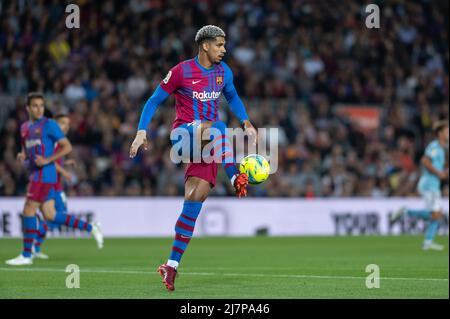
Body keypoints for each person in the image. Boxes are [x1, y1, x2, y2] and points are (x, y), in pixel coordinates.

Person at [129, 25, 257, 291]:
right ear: (205, 46)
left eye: (225, 45)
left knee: (194, 198)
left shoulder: (224, 72)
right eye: (219, 45)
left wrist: (246, 122)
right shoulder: (181, 71)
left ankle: (171, 266)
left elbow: (232, 97)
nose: (224, 49)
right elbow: (153, 101)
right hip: (183, 135)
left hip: (210, 144)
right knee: (219, 126)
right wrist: (141, 131)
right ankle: (235, 175)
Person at [5, 93, 102, 266]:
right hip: (36, 174)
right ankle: (90, 227)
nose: (39, 109)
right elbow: (26, 149)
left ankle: (27, 255)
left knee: (29, 210)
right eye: (35, 105)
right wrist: (23, 155)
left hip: (44, 175)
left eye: (41, 105)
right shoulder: (24, 128)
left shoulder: (49, 125)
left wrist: (49, 160)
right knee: (50, 215)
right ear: (28, 108)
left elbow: (67, 146)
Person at [32, 113, 104, 260]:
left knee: (53, 218)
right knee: (56, 216)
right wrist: (64, 171)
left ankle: (36, 246)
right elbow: (47, 161)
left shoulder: (59, 141)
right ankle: (91, 227)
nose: (67, 126)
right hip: (50, 184)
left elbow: (52, 161)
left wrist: (65, 164)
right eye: (64, 123)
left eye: (68, 124)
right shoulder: (53, 140)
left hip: (55, 185)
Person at [391, 121, 449, 250]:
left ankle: (428, 242)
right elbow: (425, 161)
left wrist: (444, 170)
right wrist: (439, 173)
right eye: (447, 131)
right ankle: (406, 212)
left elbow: (438, 164)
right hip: (429, 184)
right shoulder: (434, 146)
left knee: (437, 214)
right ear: (440, 133)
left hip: (433, 184)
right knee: (435, 214)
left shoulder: (442, 148)